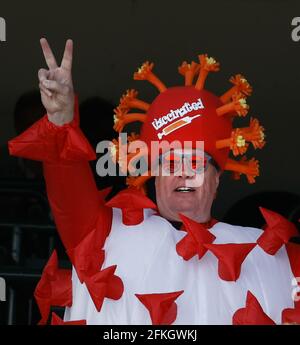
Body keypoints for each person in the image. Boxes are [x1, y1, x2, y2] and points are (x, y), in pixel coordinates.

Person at [8, 38, 300, 325]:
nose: (183, 172)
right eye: (170, 162)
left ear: (217, 179)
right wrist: (61, 120)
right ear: (154, 176)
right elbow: (67, 182)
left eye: (196, 162)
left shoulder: (279, 259)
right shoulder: (101, 234)